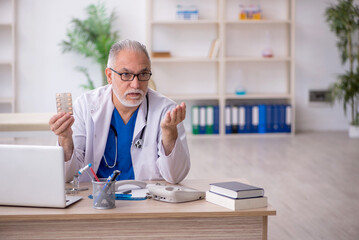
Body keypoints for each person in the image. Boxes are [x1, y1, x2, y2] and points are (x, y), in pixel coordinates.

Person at [49, 39, 190, 184]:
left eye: (143, 74)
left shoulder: (166, 112)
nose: (136, 84)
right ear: (109, 76)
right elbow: (68, 176)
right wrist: (65, 139)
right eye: (126, 75)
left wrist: (169, 135)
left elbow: (175, 177)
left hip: (146, 198)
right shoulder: (85, 105)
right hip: (96, 197)